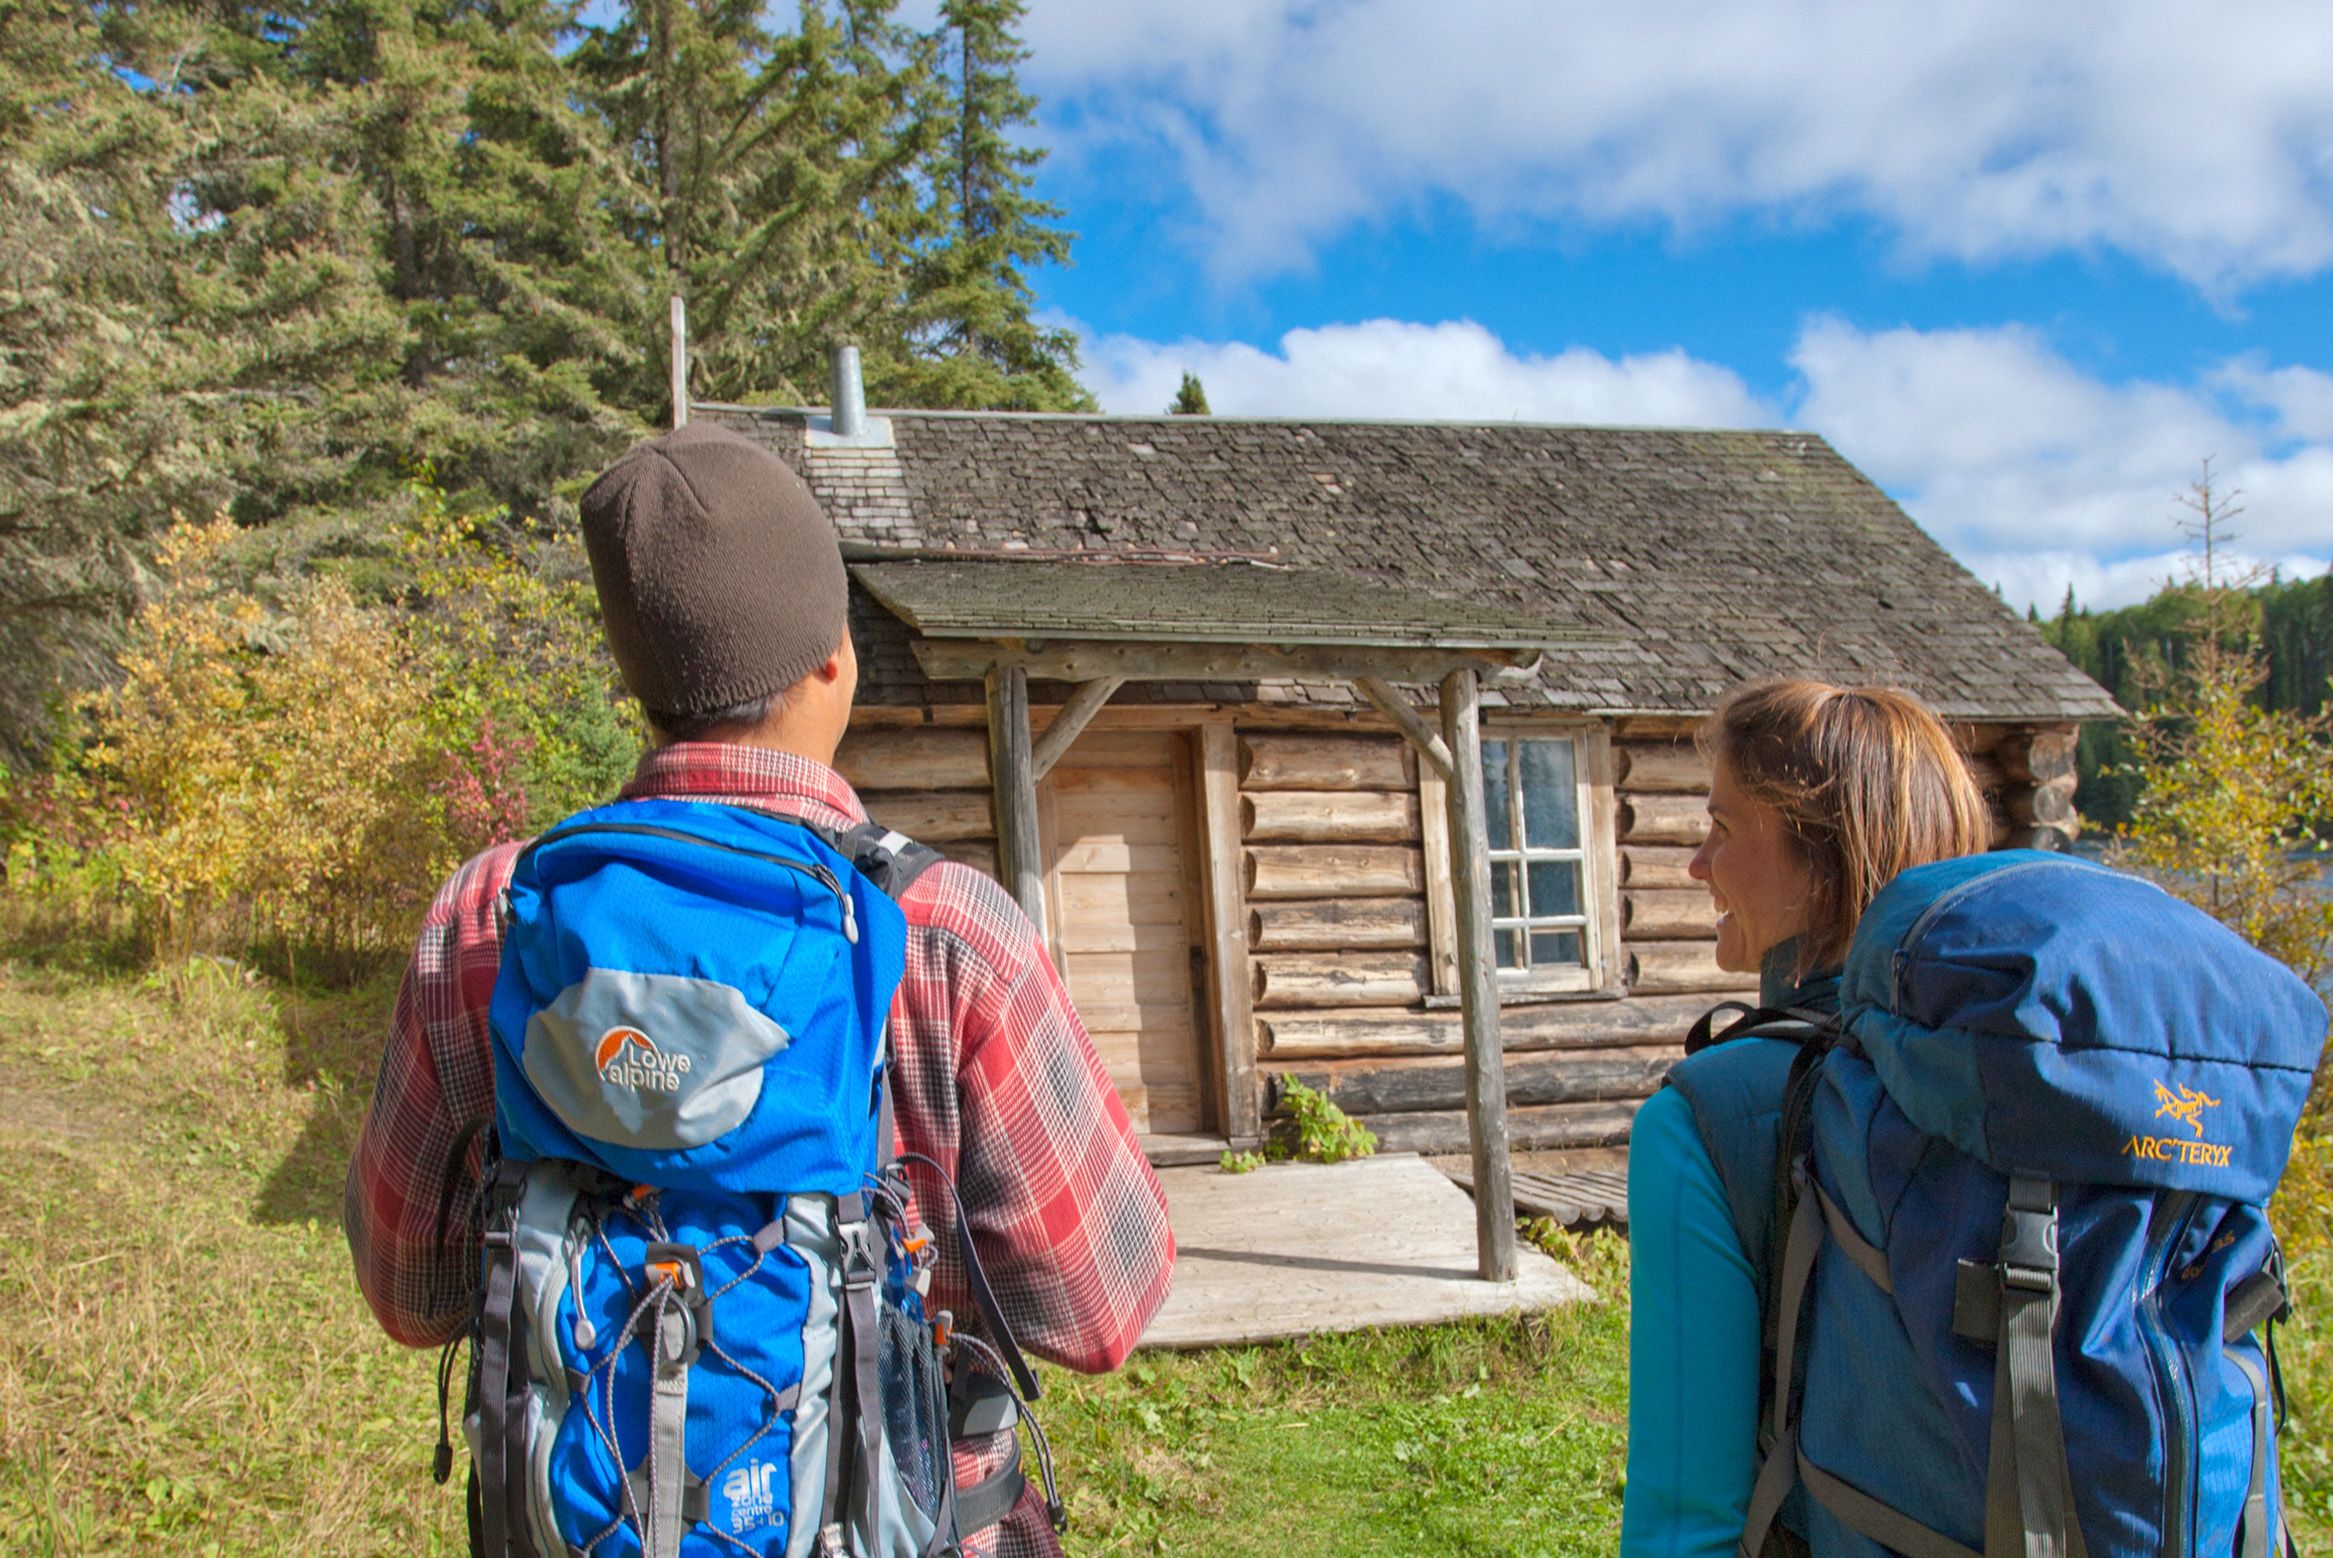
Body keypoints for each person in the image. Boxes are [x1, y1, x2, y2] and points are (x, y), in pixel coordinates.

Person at [344, 423, 1176, 1558]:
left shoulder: (491, 914)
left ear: (637, 682)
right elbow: (1096, 1309)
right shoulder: (941, 927)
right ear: (835, 655)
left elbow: (413, 1291)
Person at [1619, 679, 1990, 1558]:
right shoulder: (2042, 1076)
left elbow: (1687, 1524)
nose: (1695, 865)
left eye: (1723, 828)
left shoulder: (1706, 1119)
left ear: (1819, 859)